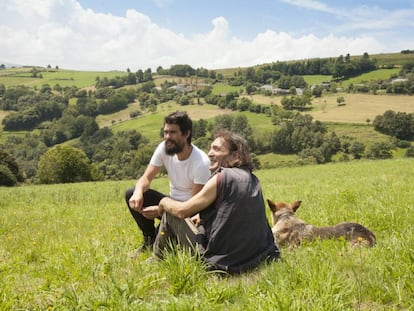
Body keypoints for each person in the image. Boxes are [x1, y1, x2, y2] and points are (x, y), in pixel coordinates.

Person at [154, 130, 280, 274]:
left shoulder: (221, 177)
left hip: (223, 263)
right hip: (258, 257)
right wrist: (201, 218)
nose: (209, 153)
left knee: (171, 212)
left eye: (217, 149)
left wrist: (163, 202)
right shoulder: (253, 179)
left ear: (235, 156)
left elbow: (182, 211)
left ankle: (157, 259)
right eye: (210, 148)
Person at [125, 111, 211, 254]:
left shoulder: (201, 163)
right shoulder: (164, 148)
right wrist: (138, 192)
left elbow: (193, 207)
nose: (167, 137)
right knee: (131, 193)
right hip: (169, 202)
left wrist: (161, 209)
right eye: (165, 132)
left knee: (163, 247)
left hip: (188, 211)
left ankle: (161, 239)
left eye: (172, 132)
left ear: (186, 134)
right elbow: (146, 178)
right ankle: (149, 238)